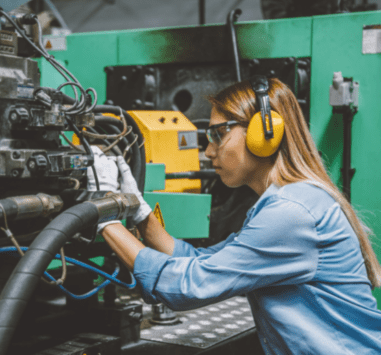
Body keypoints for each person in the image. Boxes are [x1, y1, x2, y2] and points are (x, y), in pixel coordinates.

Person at [87, 77, 381, 354]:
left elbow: (187, 286)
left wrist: (103, 211)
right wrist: (139, 211)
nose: (208, 151)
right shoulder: (286, 203)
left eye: (218, 134)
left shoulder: (292, 213)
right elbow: (197, 261)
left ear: (264, 133)